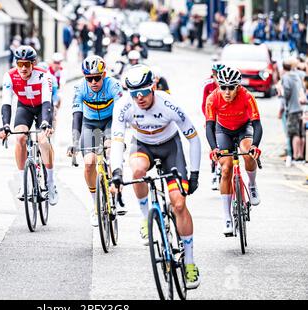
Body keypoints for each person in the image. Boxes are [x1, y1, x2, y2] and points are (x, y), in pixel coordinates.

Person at [110, 64, 201, 289]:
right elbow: (118, 141)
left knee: (179, 204)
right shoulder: (123, 106)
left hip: (171, 148)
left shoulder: (169, 104)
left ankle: (189, 262)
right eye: (134, 93)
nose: (139, 98)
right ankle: (144, 216)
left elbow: (194, 138)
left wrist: (195, 173)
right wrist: (116, 172)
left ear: (153, 87)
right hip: (142, 146)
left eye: (143, 92)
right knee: (138, 170)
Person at [205, 66, 263, 236]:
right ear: (219, 86)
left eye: (232, 87)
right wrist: (214, 148)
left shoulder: (247, 96)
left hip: (244, 128)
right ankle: (227, 217)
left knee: (247, 152)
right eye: (223, 87)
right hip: (222, 130)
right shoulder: (212, 98)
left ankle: (252, 184)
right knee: (225, 169)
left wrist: (255, 146)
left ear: (238, 86)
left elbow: (257, 125)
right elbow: (209, 127)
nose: (227, 91)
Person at [0, 46, 58, 205]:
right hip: (24, 108)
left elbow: (47, 101)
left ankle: (51, 183)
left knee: (43, 140)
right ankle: (23, 184)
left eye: (27, 64)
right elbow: (6, 102)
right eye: (20, 64)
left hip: (42, 108)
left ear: (33, 63)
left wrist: (46, 122)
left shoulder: (44, 75)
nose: (23, 68)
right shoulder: (9, 76)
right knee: (19, 138)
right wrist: (5, 125)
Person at [66, 55, 123, 226]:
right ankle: (95, 205)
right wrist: (75, 142)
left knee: (110, 149)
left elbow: (121, 113)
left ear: (104, 75)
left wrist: (119, 139)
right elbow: (77, 115)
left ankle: (115, 191)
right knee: (89, 163)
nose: (93, 82)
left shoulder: (113, 85)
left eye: (97, 78)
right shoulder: (80, 88)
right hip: (89, 123)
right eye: (89, 78)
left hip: (110, 121)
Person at [201, 63, 225, 190]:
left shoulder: (226, 84)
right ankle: (214, 172)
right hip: (212, 117)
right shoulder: (208, 85)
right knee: (214, 146)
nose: (218, 78)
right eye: (216, 75)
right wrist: (209, 119)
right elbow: (204, 104)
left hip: (224, 118)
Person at [281, 59, 306, 164]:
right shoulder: (297, 76)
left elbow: (286, 92)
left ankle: (295, 156)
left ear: (283, 68)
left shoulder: (286, 77)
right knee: (301, 133)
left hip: (292, 108)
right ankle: (301, 155)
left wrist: (283, 96)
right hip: (301, 108)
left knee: (294, 133)